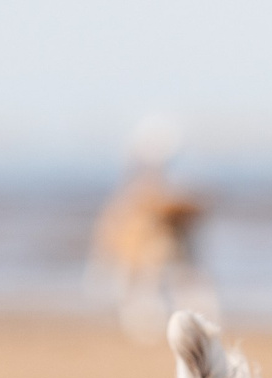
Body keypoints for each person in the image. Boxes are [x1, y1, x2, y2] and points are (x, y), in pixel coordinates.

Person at [90, 117, 218, 339]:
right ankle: (149, 326)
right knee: (149, 282)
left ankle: (166, 325)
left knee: (176, 279)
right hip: (147, 246)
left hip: (162, 242)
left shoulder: (147, 191)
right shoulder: (138, 194)